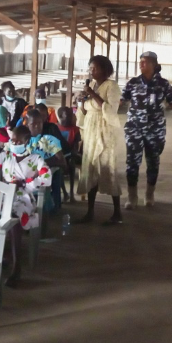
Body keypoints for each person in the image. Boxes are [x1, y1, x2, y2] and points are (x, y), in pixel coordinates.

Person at [122, 51, 172, 209]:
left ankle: (149, 194)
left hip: (155, 129)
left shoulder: (163, 84)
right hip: (134, 128)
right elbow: (120, 101)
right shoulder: (132, 83)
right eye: (140, 61)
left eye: (145, 62)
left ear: (154, 65)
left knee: (153, 162)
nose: (141, 64)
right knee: (132, 163)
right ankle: (132, 196)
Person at [1, 126, 52, 288]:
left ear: (26, 141)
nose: (14, 143)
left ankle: (17, 265)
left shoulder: (36, 159)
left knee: (14, 213)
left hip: (24, 196)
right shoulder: (5, 156)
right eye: (12, 140)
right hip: (3, 193)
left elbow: (46, 178)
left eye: (18, 141)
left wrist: (25, 182)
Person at [76, 56, 123, 225]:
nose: (91, 71)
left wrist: (92, 94)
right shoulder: (93, 86)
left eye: (94, 68)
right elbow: (86, 111)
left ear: (104, 69)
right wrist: (81, 102)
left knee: (107, 167)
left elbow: (111, 110)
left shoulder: (112, 86)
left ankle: (117, 212)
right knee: (91, 169)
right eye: (90, 68)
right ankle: (90, 212)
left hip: (104, 131)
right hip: (90, 131)